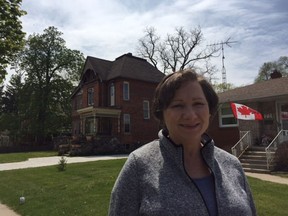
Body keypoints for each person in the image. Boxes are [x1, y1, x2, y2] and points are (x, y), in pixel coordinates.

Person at [108, 69, 256, 216]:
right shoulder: (138, 166)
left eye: (198, 103)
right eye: (178, 105)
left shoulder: (232, 164)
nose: (190, 115)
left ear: (209, 111)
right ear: (162, 114)